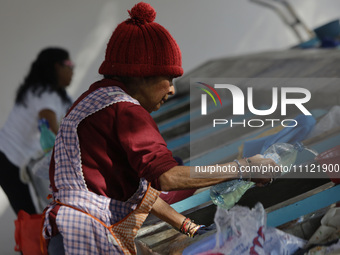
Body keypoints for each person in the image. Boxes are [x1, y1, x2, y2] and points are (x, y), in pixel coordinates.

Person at [43, 3, 277, 254]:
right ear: (143, 75)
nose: (172, 90)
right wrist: (245, 168)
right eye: (169, 78)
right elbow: (167, 177)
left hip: (65, 235)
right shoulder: (126, 111)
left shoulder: (91, 102)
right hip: (84, 239)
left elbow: (143, 194)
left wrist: (189, 228)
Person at [0, 47, 73, 215]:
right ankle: (36, 241)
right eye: (68, 64)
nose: (72, 69)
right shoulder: (44, 94)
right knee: (31, 215)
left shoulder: (55, 94)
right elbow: (49, 125)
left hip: (18, 159)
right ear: (56, 67)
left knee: (40, 211)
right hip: (10, 159)